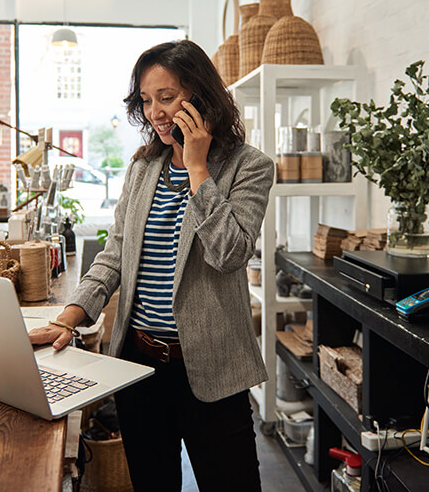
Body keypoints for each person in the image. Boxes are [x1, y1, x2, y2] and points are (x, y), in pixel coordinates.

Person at [29, 40, 274, 490]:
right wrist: (70, 316)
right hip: (139, 368)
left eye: (166, 97)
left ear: (201, 96)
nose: (155, 112)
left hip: (214, 371)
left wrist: (198, 169)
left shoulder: (248, 166)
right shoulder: (143, 169)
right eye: (146, 100)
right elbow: (114, 255)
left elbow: (230, 253)